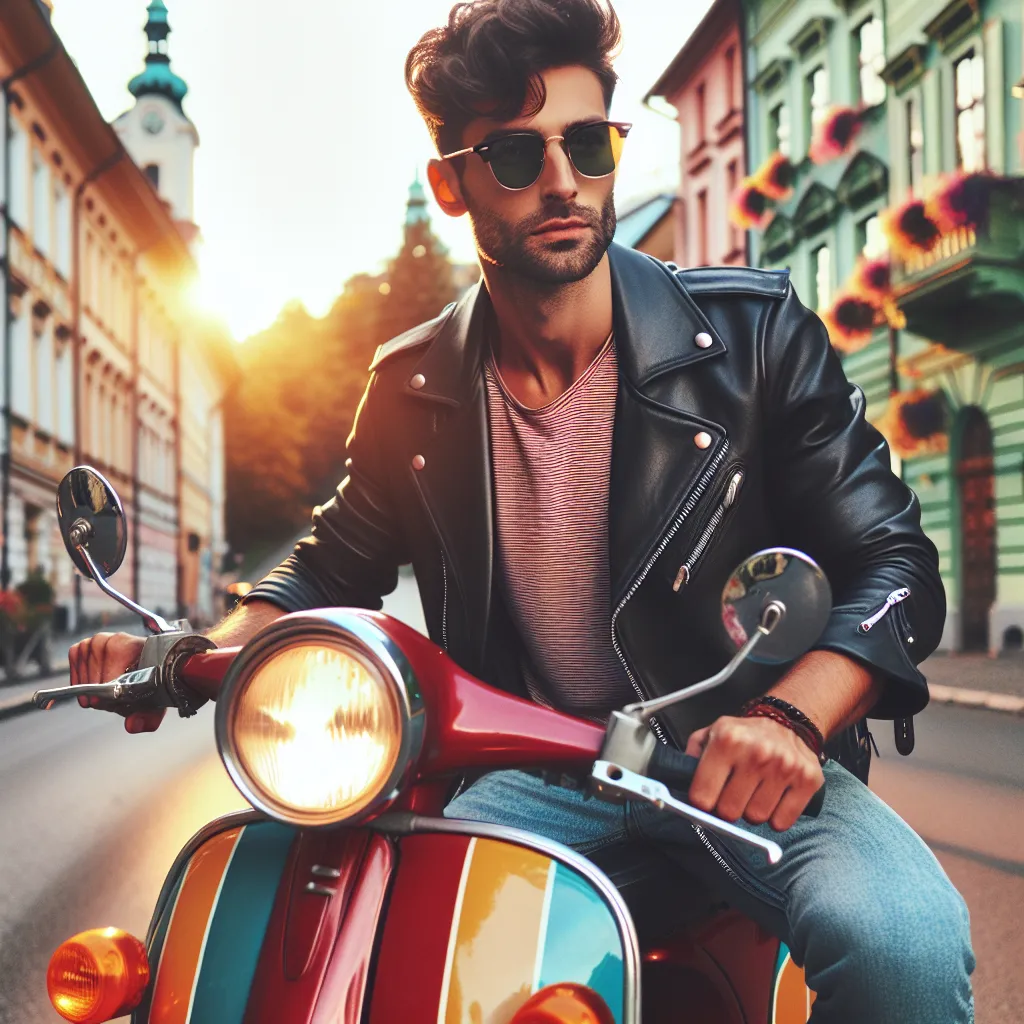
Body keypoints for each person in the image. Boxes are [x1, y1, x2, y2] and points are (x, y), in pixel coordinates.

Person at [71, 1, 973, 1019]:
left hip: (732, 764)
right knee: (371, 944)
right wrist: (190, 649)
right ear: (450, 185)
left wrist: (784, 717)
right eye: (512, 154)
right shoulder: (411, 383)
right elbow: (326, 564)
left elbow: (894, 563)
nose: (562, 180)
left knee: (902, 941)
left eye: (587, 145)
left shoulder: (753, 332)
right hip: (535, 772)